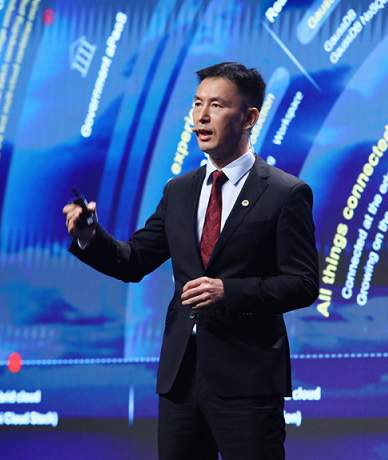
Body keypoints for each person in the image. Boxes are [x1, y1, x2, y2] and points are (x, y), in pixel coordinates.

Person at [63, 62, 319, 460]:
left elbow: (302, 283)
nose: (201, 116)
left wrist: (228, 291)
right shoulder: (179, 190)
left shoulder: (285, 193)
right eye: (197, 103)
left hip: (247, 381)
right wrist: (89, 237)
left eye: (216, 105)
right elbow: (133, 260)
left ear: (249, 117)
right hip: (180, 380)